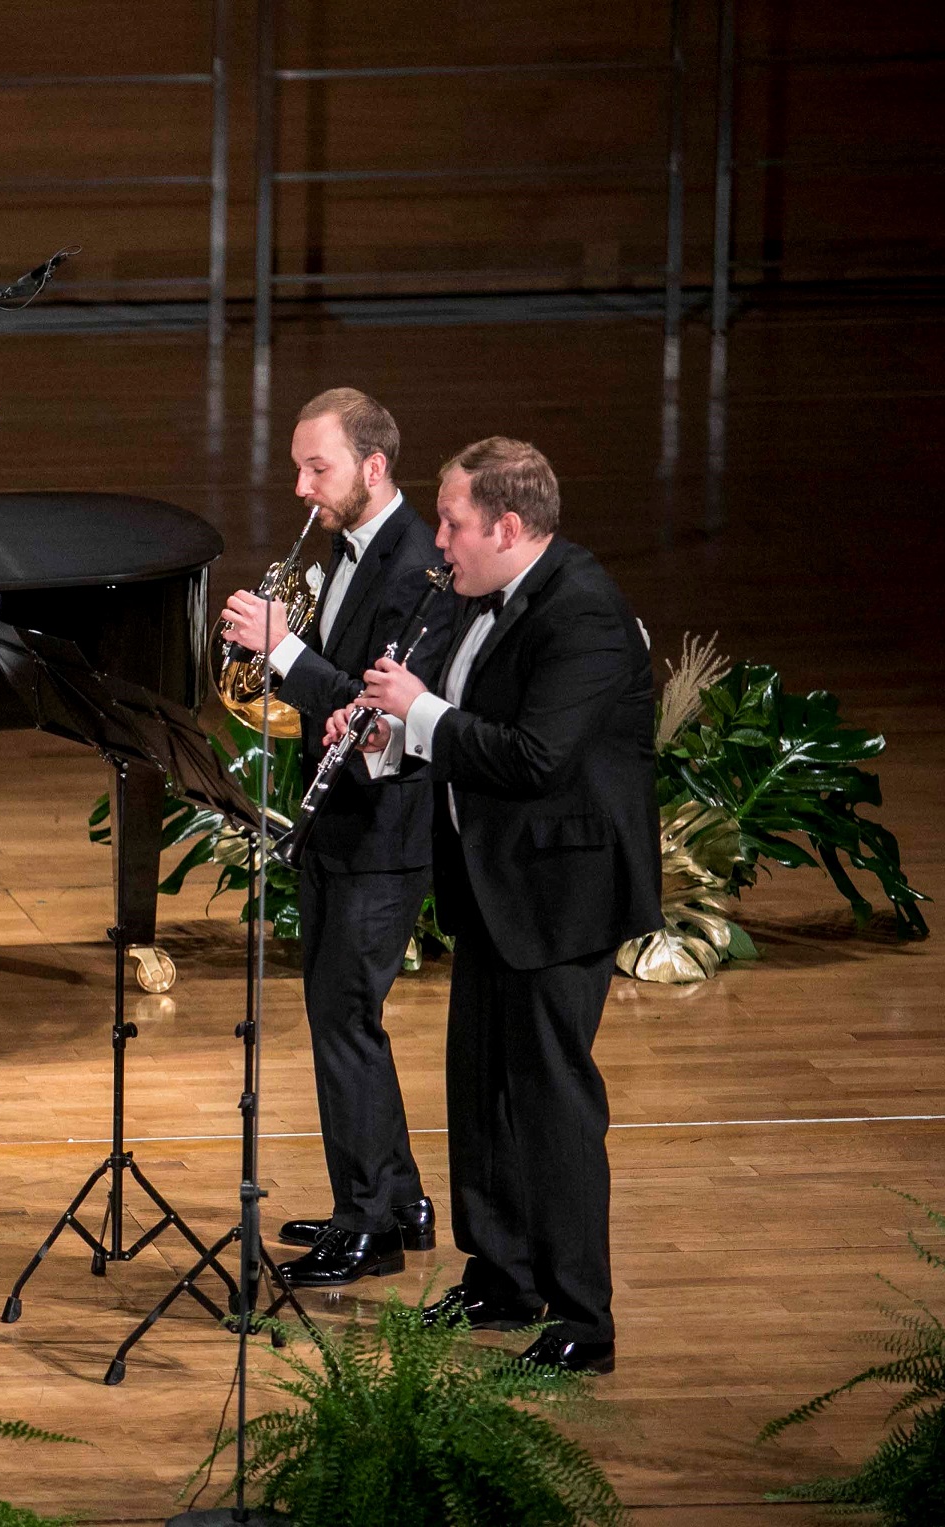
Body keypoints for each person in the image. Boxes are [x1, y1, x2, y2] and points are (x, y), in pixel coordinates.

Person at [355, 436, 659, 1373]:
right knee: (480, 1088)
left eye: (451, 522)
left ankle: (582, 1317)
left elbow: (530, 757)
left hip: (560, 893)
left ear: (509, 526)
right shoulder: (482, 598)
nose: (437, 539)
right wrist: (392, 729)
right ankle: (502, 1274)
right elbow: (463, 733)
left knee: (552, 1105)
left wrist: (417, 711)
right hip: (495, 883)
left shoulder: (586, 615)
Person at [219, 388, 454, 1288]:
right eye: (297, 469)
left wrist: (284, 650)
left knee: (343, 1023)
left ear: (374, 467)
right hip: (342, 822)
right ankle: (398, 1198)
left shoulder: (418, 569)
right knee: (346, 1020)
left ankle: (369, 1227)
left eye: (317, 469)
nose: (302, 489)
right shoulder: (346, 549)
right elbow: (350, 701)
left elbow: (381, 704)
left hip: (383, 836)